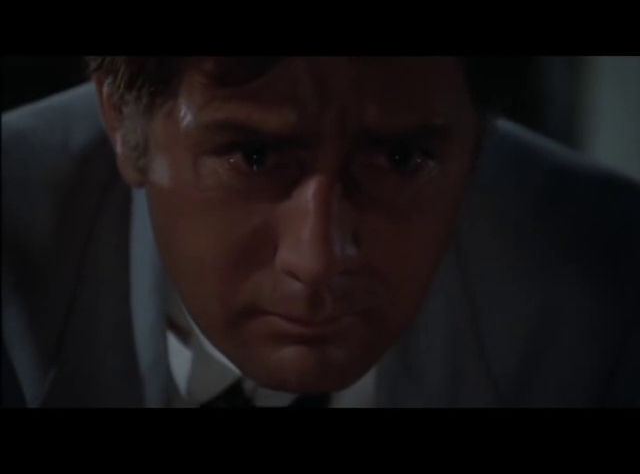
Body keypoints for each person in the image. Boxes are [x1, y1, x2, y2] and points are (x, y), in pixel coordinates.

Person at [2, 57, 638, 408]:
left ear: (477, 140)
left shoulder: (609, 284)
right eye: (254, 156)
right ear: (123, 118)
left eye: (400, 159)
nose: (316, 261)